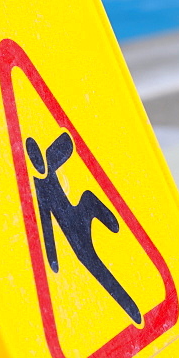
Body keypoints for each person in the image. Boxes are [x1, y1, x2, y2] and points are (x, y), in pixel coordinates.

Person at [25, 131, 142, 324]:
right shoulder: (39, 186)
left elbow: (68, 142)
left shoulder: (50, 164)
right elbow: (46, 224)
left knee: (87, 198)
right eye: (34, 157)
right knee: (96, 267)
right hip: (73, 234)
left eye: (37, 154)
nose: (38, 160)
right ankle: (133, 312)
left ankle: (113, 223)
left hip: (77, 216)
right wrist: (52, 260)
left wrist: (51, 153)